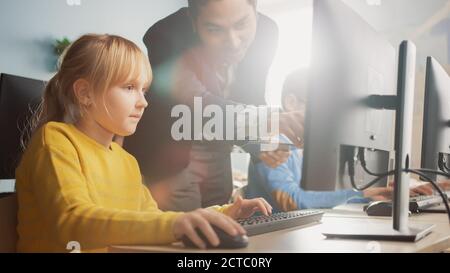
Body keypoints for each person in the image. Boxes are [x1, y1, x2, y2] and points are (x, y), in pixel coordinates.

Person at [15, 34, 272, 253]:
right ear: (85, 93)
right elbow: (72, 221)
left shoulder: (125, 160)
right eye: (129, 87)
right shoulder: (57, 139)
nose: (143, 102)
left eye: (144, 90)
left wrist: (224, 213)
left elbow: (153, 219)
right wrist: (176, 223)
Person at [125, 0, 297, 211]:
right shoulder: (164, 34)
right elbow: (193, 103)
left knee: (222, 223)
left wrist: (264, 146)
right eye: (215, 29)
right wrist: (267, 121)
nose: (233, 42)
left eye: (242, 24)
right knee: (184, 231)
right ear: (193, 22)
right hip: (171, 148)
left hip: (219, 142)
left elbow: (251, 95)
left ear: (255, 10)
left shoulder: (266, 32)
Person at [246, 68, 450, 212]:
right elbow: (293, 201)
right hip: (267, 240)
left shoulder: (303, 148)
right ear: (291, 102)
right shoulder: (270, 140)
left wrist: (391, 190)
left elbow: (321, 196)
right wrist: (365, 194)